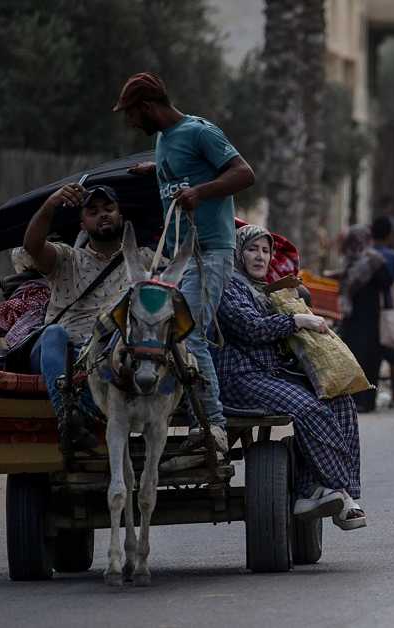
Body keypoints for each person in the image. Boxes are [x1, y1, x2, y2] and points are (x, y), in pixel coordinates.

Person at [115, 71, 256, 455]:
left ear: (148, 107)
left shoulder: (199, 132)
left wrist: (201, 192)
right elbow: (178, 174)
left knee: (190, 333)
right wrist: (154, 171)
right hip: (178, 258)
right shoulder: (163, 140)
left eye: (131, 114)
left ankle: (213, 425)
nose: (129, 122)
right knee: (149, 329)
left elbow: (244, 173)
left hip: (210, 251)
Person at [213, 225, 365, 529]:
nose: (259, 256)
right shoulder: (229, 285)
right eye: (252, 249)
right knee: (310, 408)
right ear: (238, 254)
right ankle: (339, 490)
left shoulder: (265, 289)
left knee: (340, 400)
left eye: (265, 250)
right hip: (241, 378)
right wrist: (297, 319)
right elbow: (251, 328)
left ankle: (312, 490)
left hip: (272, 375)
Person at [22, 183, 152, 450]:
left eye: (109, 208)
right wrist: (50, 204)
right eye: (93, 211)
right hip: (63, 356)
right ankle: (68, 418)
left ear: (121, 216)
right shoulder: (66, 258)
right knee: (53, 334)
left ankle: (91, 413)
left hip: (112, 357)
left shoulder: (144, 260)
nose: (102, 214)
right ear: (82, 224)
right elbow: (32, 245)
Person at [337, 226, 394, 413]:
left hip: (371, 320)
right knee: (353, 360)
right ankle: (354, 400)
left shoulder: (375, 261)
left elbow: (387, 284)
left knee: (369, 360)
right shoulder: (349, 261)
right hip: (352, 320)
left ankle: (368, 401)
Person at [371, 216, 394, 407]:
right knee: (393, 354)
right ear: (390, 234)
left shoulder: (365, 253)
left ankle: (371, 393)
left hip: (367, 313)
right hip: (389, 309)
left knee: (371, 353)